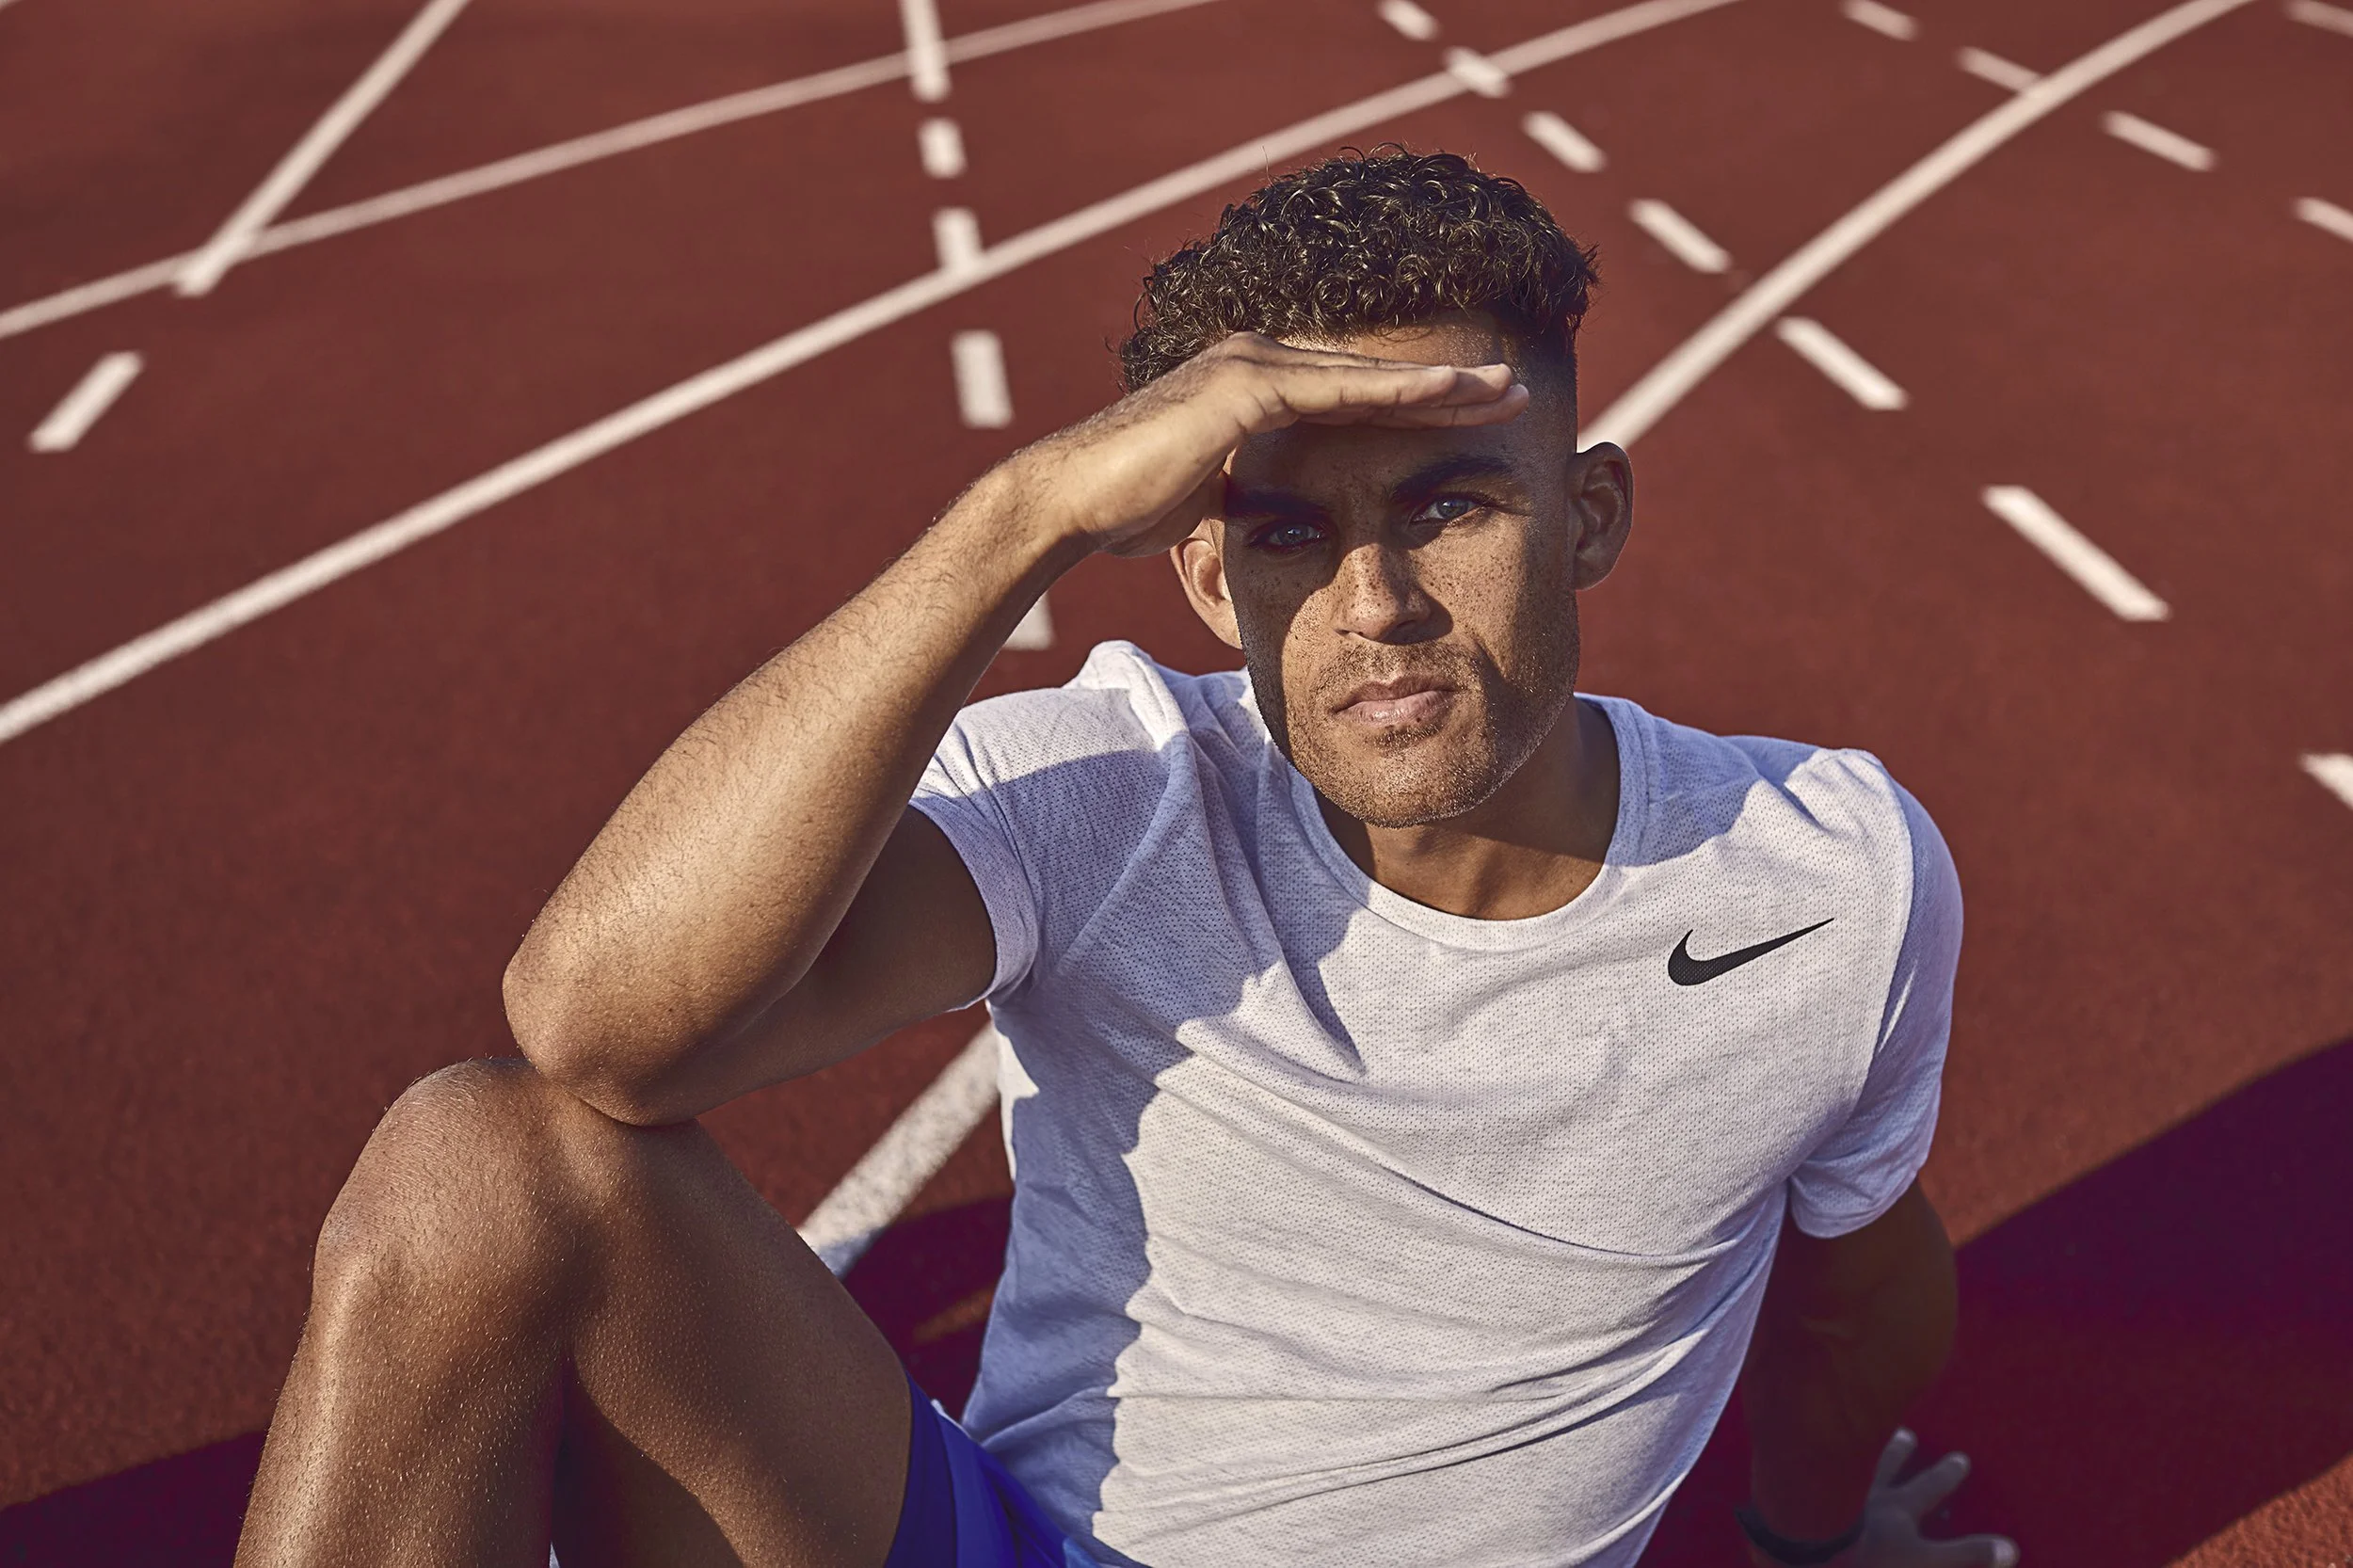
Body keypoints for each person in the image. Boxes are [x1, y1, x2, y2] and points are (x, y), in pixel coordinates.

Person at [234, 150, 2020, 1568]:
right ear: (1206, 576)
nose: (1377, 603)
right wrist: (1024, 513)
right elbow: (594, 1028)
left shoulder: (1828, 878)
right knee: (475, 1164)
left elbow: (1854, 1292)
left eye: (1450, 505)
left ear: (1591, 514)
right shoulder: (1117, 782)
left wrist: (1809, 1538)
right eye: (1290, 534)